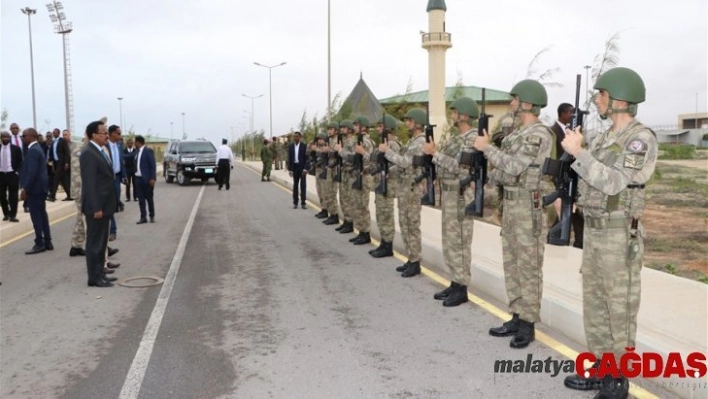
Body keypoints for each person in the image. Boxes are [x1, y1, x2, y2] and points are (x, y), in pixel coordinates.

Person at [562, 67, 657, 398]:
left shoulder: (640, 139)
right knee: (596, 303)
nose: (597, 99)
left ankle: (618, 379)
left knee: (620, 309)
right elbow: (591, 180)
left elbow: (616, 181)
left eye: (601, 94)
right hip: (595, 230)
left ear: (619, 99)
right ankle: (602, 370)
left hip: (619, 235)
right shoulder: (603, 137)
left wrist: (579, 153)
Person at [473, 79, 554, 349]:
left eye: (516, 99)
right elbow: (502, 171)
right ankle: (517, 315)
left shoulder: (538, 134)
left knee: (528, 266)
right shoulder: (517, 133)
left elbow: (516, 166)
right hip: (510, 205)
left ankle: (528, 323)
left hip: (526, 208)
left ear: (528, 103)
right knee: (512, 263)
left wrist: (488, 149)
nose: (512, 103)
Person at [423, 97, 480, 306]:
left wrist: (435, 154)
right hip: (449, 195)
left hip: (461, 195)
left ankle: (462, 287)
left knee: (461, 242)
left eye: (456, 111)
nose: (453, 114)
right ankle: (455, 282)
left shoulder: (474, 138)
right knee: (450, 240)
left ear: (465, 115)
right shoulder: (457, 138)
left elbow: (459, 167)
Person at [378, 109, 427, 277]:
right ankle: (411, 258)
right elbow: (401, 166)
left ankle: (416, 261)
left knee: (412, 225)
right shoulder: (412, 141)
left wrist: (387, 152)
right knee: (404, 224)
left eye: (410, 121)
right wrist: (388, 170)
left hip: (412, 190)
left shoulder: (421, 142)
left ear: (418, 122)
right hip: (405, 188)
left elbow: (406, 163)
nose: (407, 124)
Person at [81, 120, 117, 287]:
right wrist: (96, 207)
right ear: (94, 135)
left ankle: (100, 273)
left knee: (102, 243)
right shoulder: (88, 153)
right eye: (104, 133)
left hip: (106, 205)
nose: (106, 136)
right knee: (94, 243)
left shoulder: (101, 150)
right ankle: (94, 277)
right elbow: (89, 183)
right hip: (97, 207)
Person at [548, 103, 585, 248]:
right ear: (563, 114)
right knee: (564, 215)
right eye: (571, 113)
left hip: (574, 180)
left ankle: (579, 245)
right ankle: (553, 242)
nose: (572, 116)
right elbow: (551, 158)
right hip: (560, 181)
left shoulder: (576, 133)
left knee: (577, 217)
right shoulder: (552, 132)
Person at [368, 115, 401, 258]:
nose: (378, 129)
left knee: (386, 214)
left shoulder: (393, 144)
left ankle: (388, 245)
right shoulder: (381, 143)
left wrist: (387, 172)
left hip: (388, 183)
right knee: (380, 214)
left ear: (388, 129)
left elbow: (398, 164)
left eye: (381, 127)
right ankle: (383, 242)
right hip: (379, 183)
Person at [19, 128, 52, 254]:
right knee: (42, 215)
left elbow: (32, 172)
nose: (23, 138)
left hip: (35, 189)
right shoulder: (37, 148)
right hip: (41, 188)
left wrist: (25, 188)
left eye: (24, 136)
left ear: (31, 136)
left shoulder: (33, 150)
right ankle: (48, 241)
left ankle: (40, 243)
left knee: (36, 216)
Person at [350, 116, 375, 245]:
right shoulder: (357, 140)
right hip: (357, 175)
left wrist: (364, 169)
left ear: (363, 127)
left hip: (364, 176)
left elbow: (370, 160)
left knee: (363, 205)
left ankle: (366, 233)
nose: (354, 127)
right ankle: (361, 231)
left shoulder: (367, 142)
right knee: (357, 204)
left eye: (356, 125)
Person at [334, 120, 355, 233]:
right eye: (341, 127)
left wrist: (340, 150)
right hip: (344, 172)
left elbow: (352, 158)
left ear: (350, 129)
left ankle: (350, 223)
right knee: (343, 198)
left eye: (344, 127)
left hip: (350, 173)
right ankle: (346, 221)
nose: (342, 129)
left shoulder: (352, 141)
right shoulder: (345, 141)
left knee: (348, 198)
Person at [107, 125, 126, 241]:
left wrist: (124, 176)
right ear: (112, 134)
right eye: (118, 134)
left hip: (118, 177)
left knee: (113, 204)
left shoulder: (119, 145)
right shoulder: (104, 146)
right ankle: (112, 230)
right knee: (110, 205)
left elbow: (121, 161)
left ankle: (118, 202)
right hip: (108, 178)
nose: (120, 136)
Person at [0, 131, 23, 222]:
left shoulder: (16, 149)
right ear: (1, 138)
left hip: (12, 174)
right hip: (1, 175)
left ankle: (13, 215)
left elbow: (20, 162)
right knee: (2, 196)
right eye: (3, 137)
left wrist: (17, 172)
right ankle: (6, 213)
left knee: (13, 196)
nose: (5, 139)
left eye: (7, 137)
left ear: (9, 138)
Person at [321, 122, 341, 226]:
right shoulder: (329, 139)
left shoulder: (338, 140)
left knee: (332, 193)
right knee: (328, 192)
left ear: (336, 130)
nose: (329, 131)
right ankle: (332, 214)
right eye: (328, 129)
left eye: (331, 129)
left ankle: (335, 215)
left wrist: (329, 151)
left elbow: (339, 155)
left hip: (335, 169)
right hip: (329, 168)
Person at [134, 135, 156, 224]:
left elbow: (152, 165)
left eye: (135, 142)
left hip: (147, 179)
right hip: (138, 179)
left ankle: (152, 216)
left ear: (138, 142)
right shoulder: (136, 152)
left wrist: (152, 178)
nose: (134, 144)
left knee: (149, 198)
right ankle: (143, 217)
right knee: (141, 199)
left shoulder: (148, 151)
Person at [287, 131, 309, 209]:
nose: (295, 138)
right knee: (295, 186)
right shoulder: (291, 146)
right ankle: (295, 202)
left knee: (303, 186)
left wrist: (305, 169)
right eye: (294, 136)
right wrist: (290, 170)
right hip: (295, 168)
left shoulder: (304, 146)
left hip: (302, 168)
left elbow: (307, 158)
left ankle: (303, 203)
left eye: (297, 136)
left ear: (300, 137)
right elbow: (289, 158)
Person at [313, 133, 329, 219]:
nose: (319, 141)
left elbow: (324, 154)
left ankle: (326, 209)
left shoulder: (326, 147)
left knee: (324, 191)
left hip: (324, 170)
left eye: (321, 139)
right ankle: (323, 209)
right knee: (319, 190)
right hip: (318, 170)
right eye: (318, 139)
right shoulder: (316, 147)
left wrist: (317, 150)